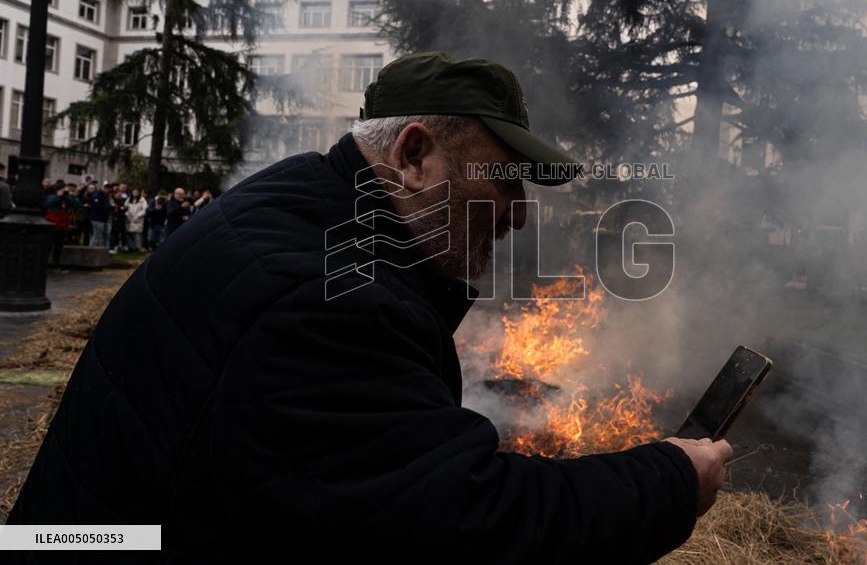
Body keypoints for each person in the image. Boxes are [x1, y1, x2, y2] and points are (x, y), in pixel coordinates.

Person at [7, 52, 730, 563]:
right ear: (414, 155)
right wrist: (667, 481)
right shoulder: (327, 301)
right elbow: (469, 530)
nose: (518, 216)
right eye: (506, 181)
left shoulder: (301, 201)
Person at [43, 182, 79, 272]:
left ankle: (56, 265)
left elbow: (77, 206)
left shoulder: (66, 199)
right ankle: (45, 265)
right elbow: (47, 204)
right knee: (49, 246)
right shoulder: (52, 197)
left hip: (62, 226)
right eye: (62, 190)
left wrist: (70, 197)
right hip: (53, 225)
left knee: (58, 247)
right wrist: (59, 197)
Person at [87, 182, 112, 248]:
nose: (107, 189)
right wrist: (109, 207)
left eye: (108, 188)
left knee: (105, 235)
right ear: (102, 187)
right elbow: (98, 206)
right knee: (97, 235)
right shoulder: (97, 195)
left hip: (104, 218)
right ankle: (91, 250)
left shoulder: (106, 196)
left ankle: (104, 250)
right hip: (97, 218)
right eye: (106, 188)